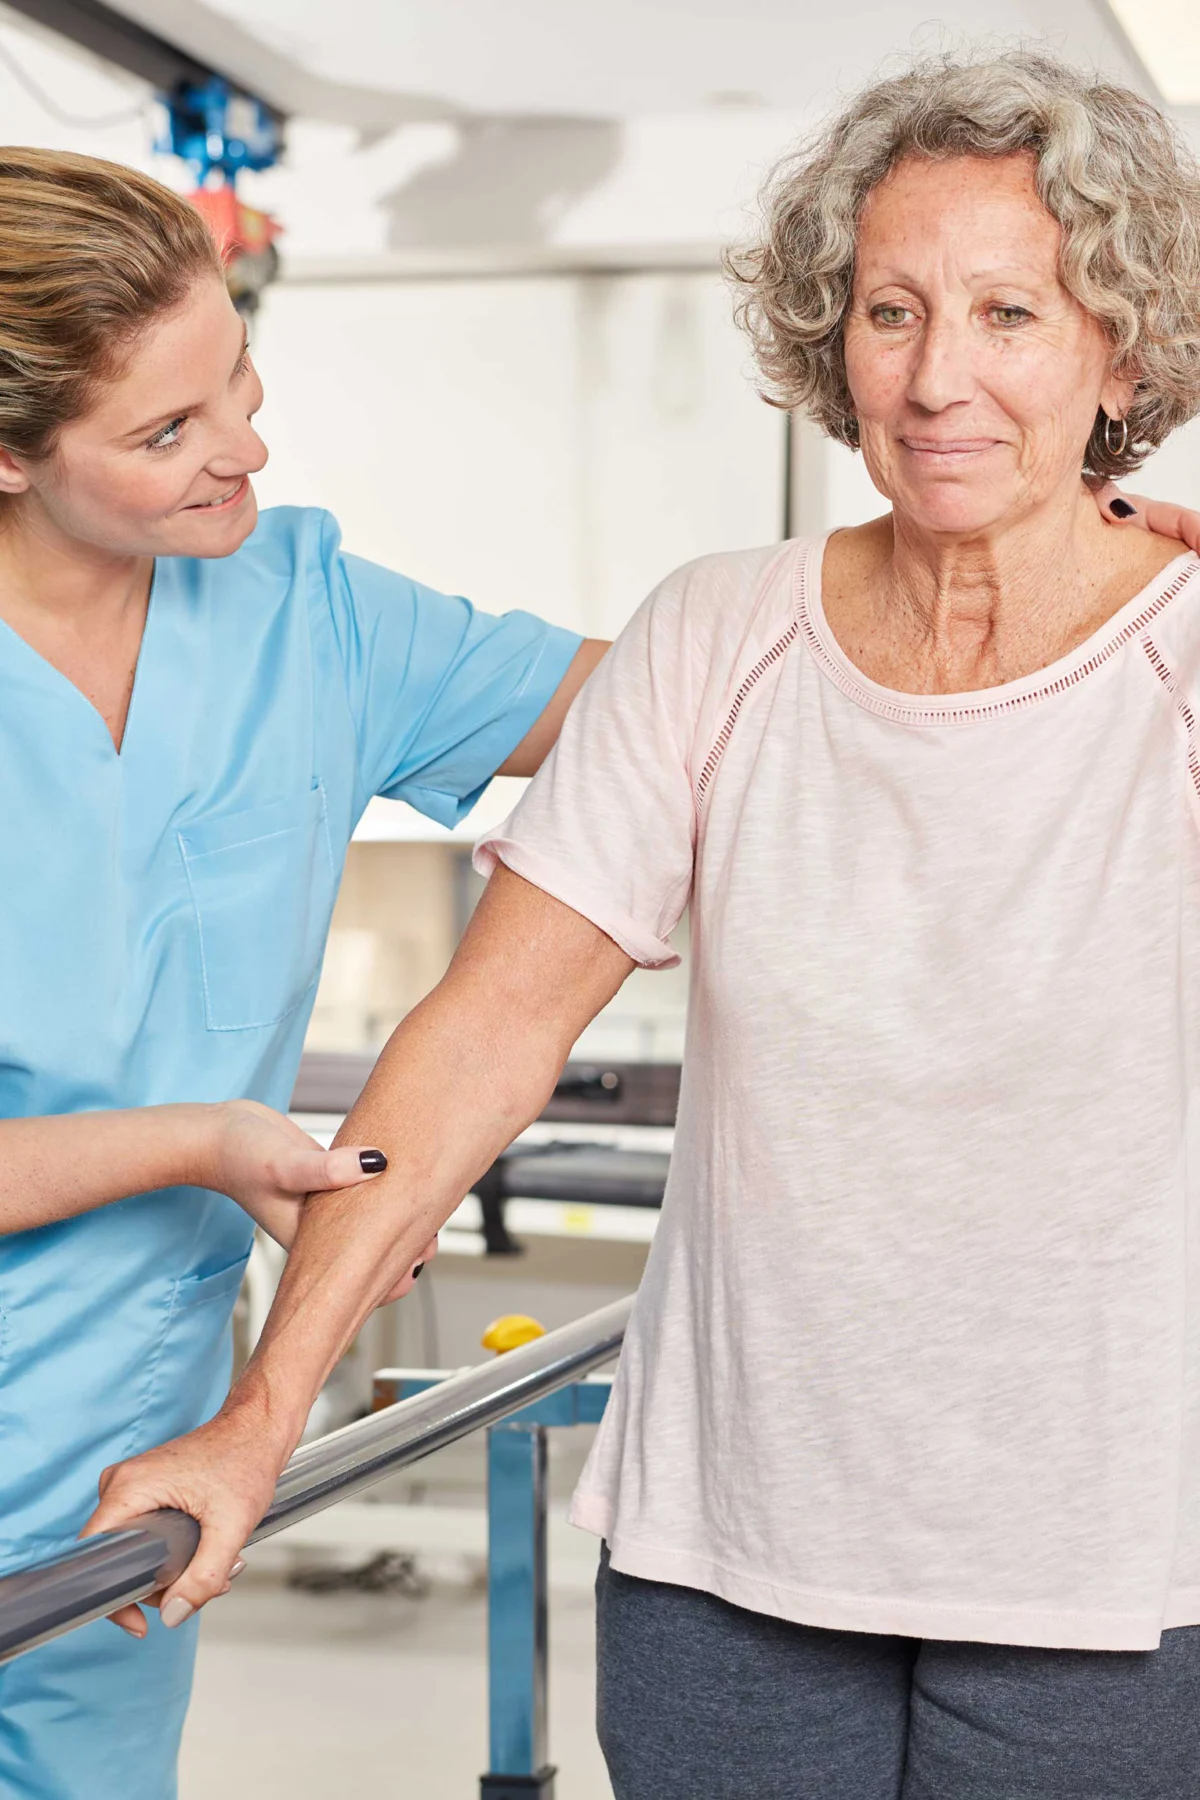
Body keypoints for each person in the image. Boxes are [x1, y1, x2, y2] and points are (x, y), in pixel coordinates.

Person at [96, 49, 1200, 1798]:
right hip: (725, 1559)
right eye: (892, 310)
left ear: (1120, 349)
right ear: (830, 334)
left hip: (1107, 1575)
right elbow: (485, 1034)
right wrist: (264, 1414)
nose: (939, 379)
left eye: (1012, 313)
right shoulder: (714, 635)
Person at [0, 146, 608, 1800]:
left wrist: (1103, 600)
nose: (244, 451)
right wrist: (197, 1141)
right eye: (167, 433)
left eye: (241, 385)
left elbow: (685, 710)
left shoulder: (307, 610)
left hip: (114, 1463)